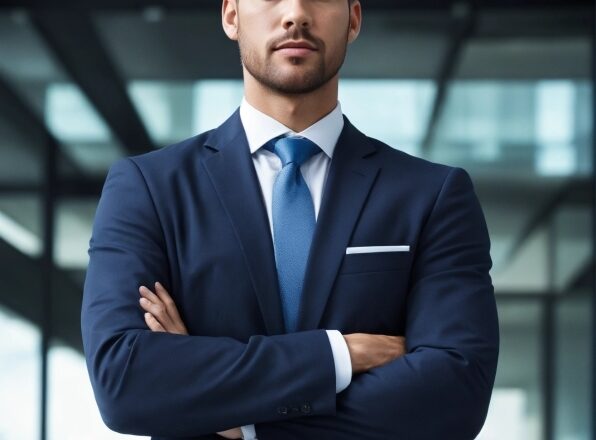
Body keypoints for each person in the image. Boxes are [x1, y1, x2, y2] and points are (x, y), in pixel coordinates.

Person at [81, 0, 499, 439]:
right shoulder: (149, 188)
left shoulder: (432, 195)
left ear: (353, 18)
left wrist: (237, 417)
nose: (296, 13)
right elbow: (124, 381)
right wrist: (339, 355)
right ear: (231, 15)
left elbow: (456, 393)